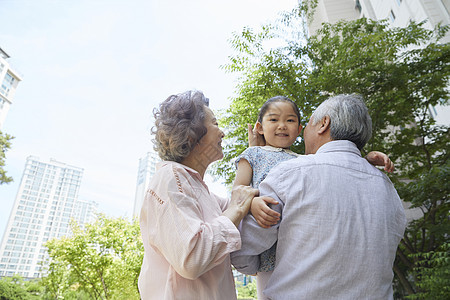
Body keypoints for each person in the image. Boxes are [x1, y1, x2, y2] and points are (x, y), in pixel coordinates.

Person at [231, 94, 407, 299]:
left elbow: (241, 249)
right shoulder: (387, 188)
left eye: (295, 122)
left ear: (324, 124)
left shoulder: (291, 173)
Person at [138, 90, 259, 300]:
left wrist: (256, 155)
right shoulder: (170, 178)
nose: (222, 132)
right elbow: (191, 257)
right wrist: (237, 209)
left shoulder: (204, 193)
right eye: (215, 123)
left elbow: (242, 206)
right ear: (192, 132)